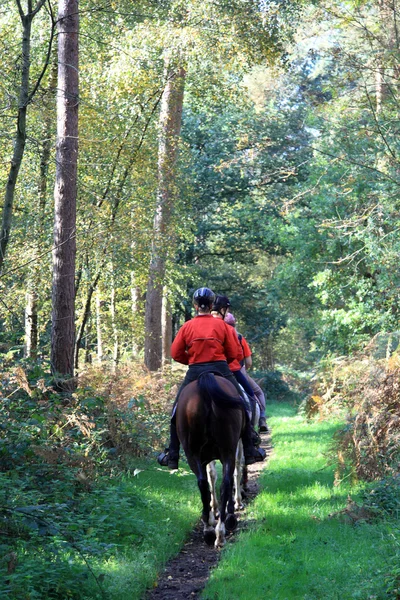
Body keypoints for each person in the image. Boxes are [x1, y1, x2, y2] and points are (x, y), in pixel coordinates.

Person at [157, 287, 266, 469]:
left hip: (195, 371)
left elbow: (175, 353)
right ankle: (250, 450)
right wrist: (223, 360)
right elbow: (234, 352)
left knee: (176, 411)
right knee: (242, 403)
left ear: (195, 305)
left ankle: (172, 454)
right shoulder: (222, 326)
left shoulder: (187, 326)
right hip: (220, 369)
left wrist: (191, 359)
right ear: (211, 305)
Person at [224, 312, 269, 432]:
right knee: (256, 393)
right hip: (236, 370)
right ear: (234, 324)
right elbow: (248, 362)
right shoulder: (239, 337)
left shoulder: (217, 333)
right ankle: (261, 420)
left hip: (215, 370)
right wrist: (243, 370)